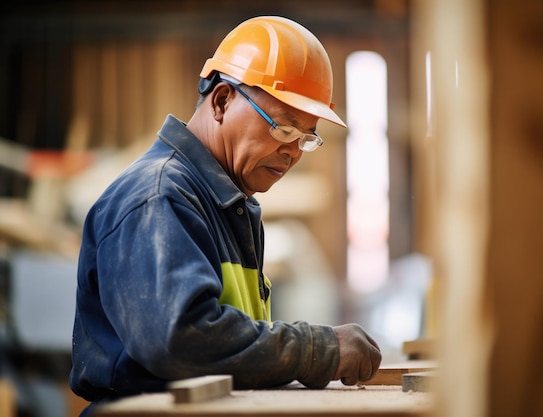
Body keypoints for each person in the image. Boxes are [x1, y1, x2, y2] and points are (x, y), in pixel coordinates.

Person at [69, 15, 382, 416]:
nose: (293, 152)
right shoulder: (158, 197)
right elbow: (180, 340)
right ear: (221, 101)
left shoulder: (227, 206)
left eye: (307, 137)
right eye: (284, 128)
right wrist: (318, 350)